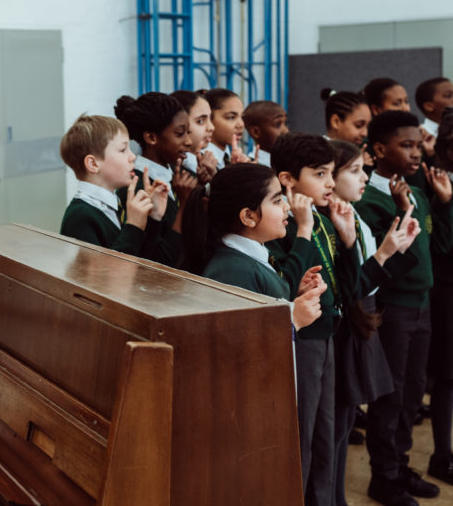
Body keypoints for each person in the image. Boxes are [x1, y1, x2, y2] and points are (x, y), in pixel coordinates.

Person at [354, 110, 453, 506]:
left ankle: (401, 463)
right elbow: (387, 260)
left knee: (413, 393)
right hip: (393, 309)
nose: (417, 153)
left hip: (422, 305)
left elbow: (441, 247)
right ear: (379, 150)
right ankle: (384, 476)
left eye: (418, 145)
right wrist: (401, 210)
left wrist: (443, 204)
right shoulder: (371, 199)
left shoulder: (416, 190)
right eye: (406, 146)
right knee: (390, 394)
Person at [328, 140, 420, 506]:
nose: (363, 175)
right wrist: (384, 253)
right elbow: (349, 287)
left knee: (344, 424)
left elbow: (368, 279)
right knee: (331, 432)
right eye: (352, 171)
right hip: (343, 328)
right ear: (327, 179)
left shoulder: (353, 214)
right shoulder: (335, 222)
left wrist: (391, 252)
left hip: (361, 319)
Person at [267, 132, 358, 506]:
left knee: (326, 432)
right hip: (300, 339)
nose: (330, 183)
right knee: (301, 436)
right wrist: (302, 229)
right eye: (320, 174)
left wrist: (349, 240)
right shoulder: (281, 222)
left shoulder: (320, 217)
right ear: (288, 179)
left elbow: (347, 288)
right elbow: (286, 286)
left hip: (327, 334)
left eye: (331, 173)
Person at [180, 163, 327, 336]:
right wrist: (293, 319)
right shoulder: (232, 271)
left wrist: (295, 295)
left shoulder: (246, 258)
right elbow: (237, 342)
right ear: (249, 217)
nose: (286, 207)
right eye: (277, 201)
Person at [59, 114, 168, 254]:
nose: (132, 156)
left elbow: (146, 265)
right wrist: (133, 226)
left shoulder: (115, 207)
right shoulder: (80, 217)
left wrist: (154, 217)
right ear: (93, 164)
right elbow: (105, 274)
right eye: (123, 150)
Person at [114, 92, 198, 266]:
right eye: (180, 134)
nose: (189, 141)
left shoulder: (180, 173)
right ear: (151, 138)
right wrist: (185, 204)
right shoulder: (135, 187)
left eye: (188, 132)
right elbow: (159, 261)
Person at [426, 107, 453, 485]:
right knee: (447, 377)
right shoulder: (436, 178)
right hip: (446, 290)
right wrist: (445, 203)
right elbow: (443, 246)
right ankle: (441, 455)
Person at [320, 89, 374, 172]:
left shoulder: (360, 154)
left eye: (367, 127)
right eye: (358, 125)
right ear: (336, 122)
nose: (365, 133)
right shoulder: (317, 154)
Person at [170, 89, 218, 183]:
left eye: (210, 119)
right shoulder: (175, 171)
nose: (211, 127)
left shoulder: (207, 162)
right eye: (200, 121)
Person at [205, 88, 251, 168]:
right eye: (231, 117)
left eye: (242, 117)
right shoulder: (198, 162)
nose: (241, 124)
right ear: (208, 119)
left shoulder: (232, 158)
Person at [242, 100, 289, 167]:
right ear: (255, 132)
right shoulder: (251, 167)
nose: (286, 130)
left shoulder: (288, 162)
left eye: (286, 123)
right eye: (277, 124)